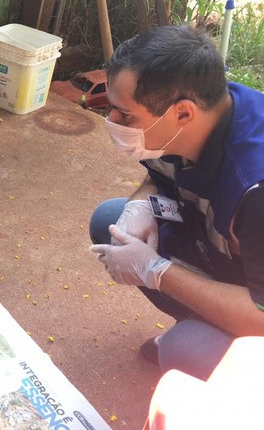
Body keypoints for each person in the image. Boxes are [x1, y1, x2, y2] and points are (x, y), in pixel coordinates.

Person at [89, 25, 264, 381]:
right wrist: (139, 205)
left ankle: (222, 359)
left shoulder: (255, 189)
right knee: (111, 221)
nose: (112, 123)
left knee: (184, 351)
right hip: (235, 263)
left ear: (182, 113)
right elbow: (158, 175)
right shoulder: (190, 120)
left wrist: (156, 272)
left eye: (126, 116)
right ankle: (204, 322)